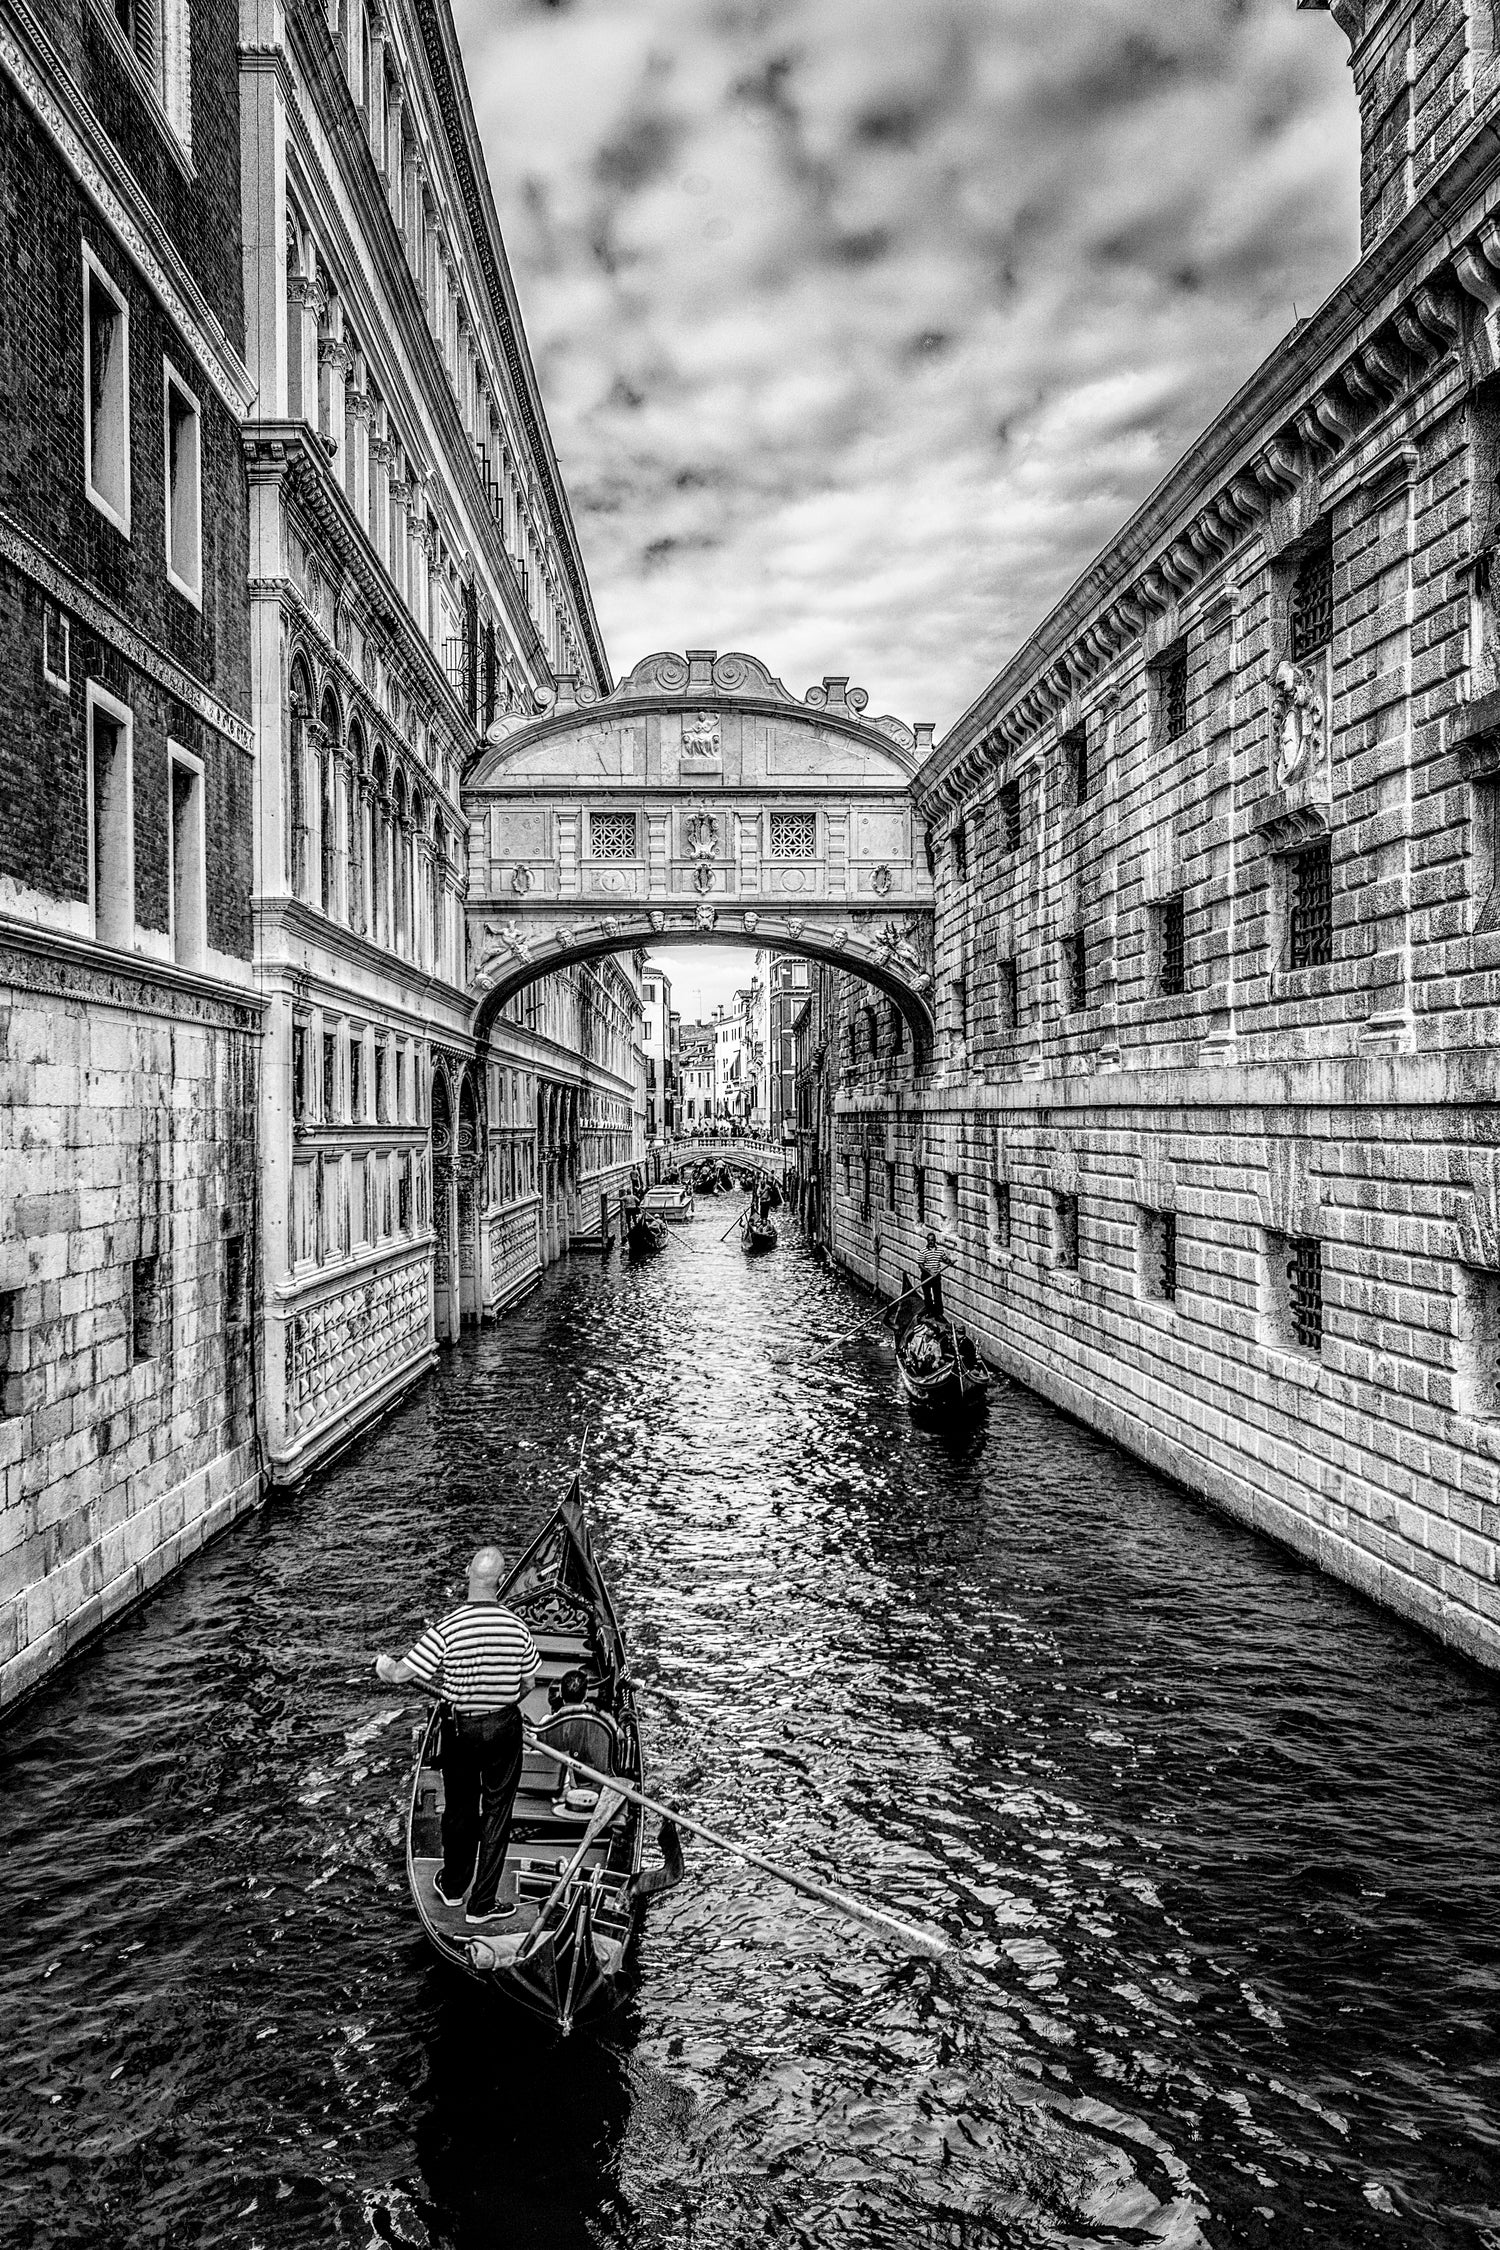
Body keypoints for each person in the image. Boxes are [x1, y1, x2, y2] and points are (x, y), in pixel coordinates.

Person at [375, 1546, 539, 1925]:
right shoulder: (518, 1627)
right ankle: (482, 1905)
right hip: (503, 1727)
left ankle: (452, 1887)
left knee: (461, 1808)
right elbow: (529, 1682)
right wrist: (505, 1700)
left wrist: (384, 1666)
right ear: (501, 1580)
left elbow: (402, 1674)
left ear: (468, 1572)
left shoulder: (448, 1627)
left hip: (461, 1727)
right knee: (498, 1812)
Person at [919, 1229, 947, 1321]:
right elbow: (920, 1264)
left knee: (937, 1295)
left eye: (932, 1240)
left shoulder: (940, 1250)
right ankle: (930, 1312)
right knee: (927, 1295)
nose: (931, 1242)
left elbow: (944, 1258)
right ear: (927, 1241)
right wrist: (929, 1272)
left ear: (935, 1240)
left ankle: (938, 1314)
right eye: (929, 1240)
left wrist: (949, 1261)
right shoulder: (923, 1251)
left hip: (936, 1276)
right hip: (926, 1276)